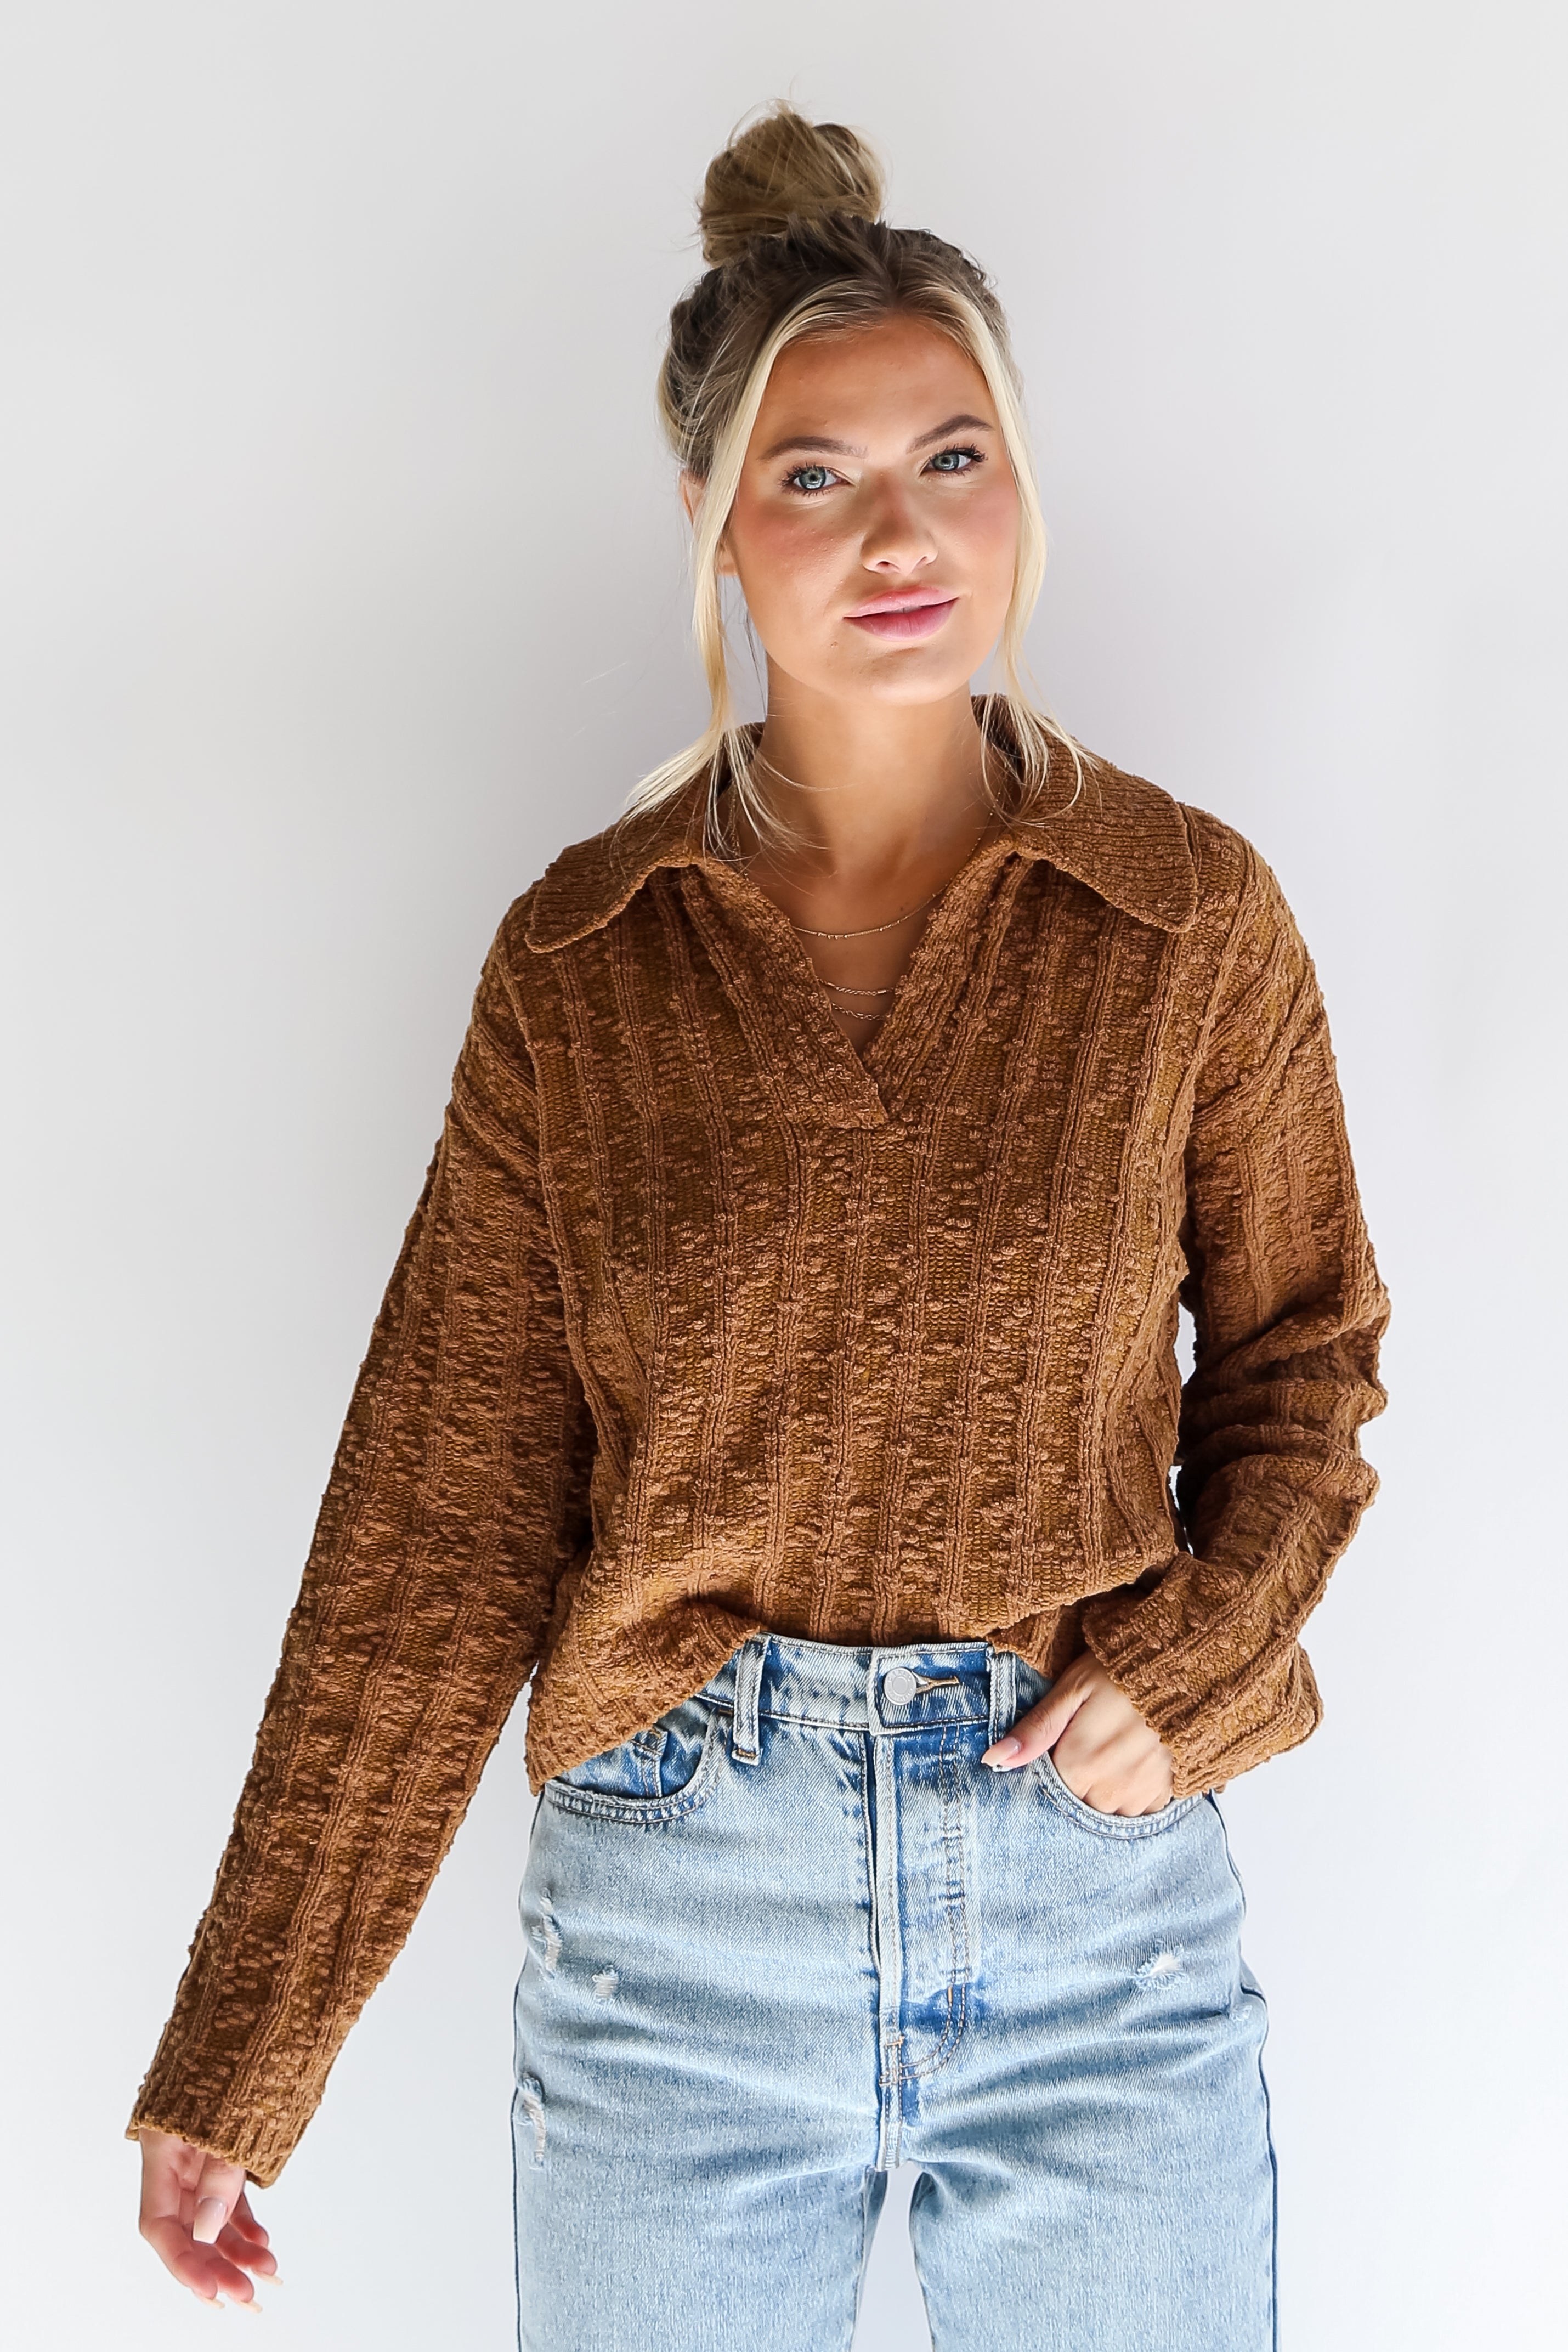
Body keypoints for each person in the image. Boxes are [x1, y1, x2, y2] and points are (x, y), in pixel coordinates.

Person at [129, 102, 1389, 2351]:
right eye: (814, 476)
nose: (898, 531)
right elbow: (439, 1521)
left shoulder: (1179, 917)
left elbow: (1303, 1359)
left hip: (1095, 1914)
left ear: (1019, 488)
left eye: (952, 457)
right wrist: (247, 2046)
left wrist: (1194, 1670)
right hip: (676, 1933)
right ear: (716, 525)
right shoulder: (583, 964)